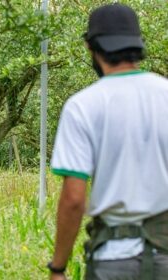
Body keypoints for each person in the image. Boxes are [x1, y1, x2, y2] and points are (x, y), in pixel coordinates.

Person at [47, 3, 168, 280]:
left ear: (91, 48)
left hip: (112, 261)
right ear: (139, 45)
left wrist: (58, 267)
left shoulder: (83, 106)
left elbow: (74, 199)